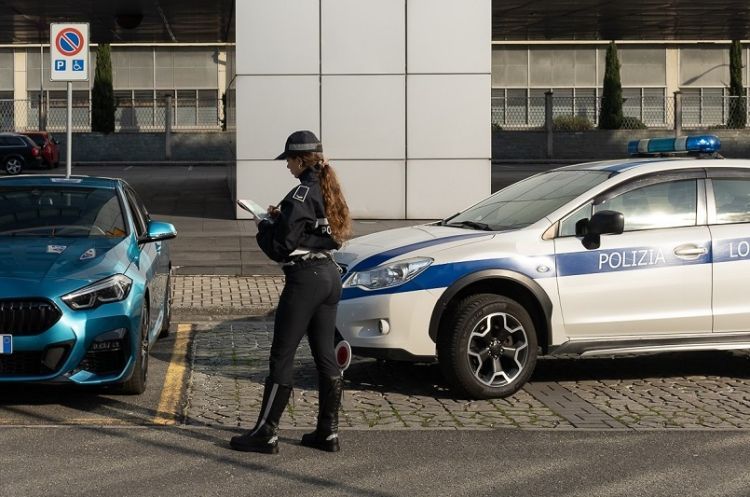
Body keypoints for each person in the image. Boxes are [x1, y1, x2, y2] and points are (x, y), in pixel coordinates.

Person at [230, 130, 352, 454]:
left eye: (288, 160)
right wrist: (281, 218)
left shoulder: (300, 193)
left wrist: (264, 227)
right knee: (325, 355)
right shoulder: (329, 189)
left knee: (281, 356)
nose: (286, 166)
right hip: (329, 276)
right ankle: (328, 432)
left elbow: (282, 248)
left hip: (305, 281)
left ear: (300, 160)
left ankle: (265, 433)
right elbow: (320, 232)